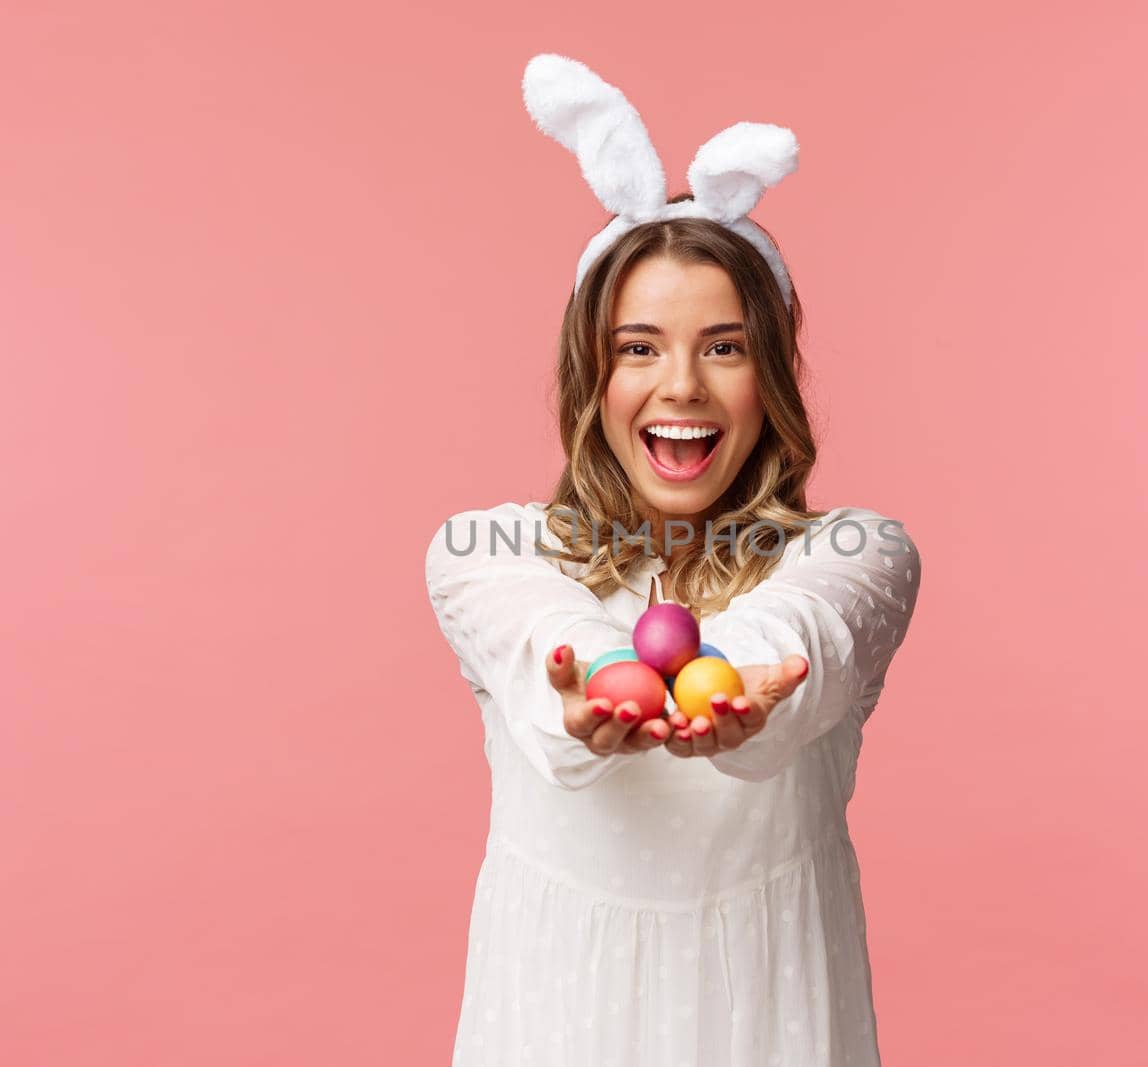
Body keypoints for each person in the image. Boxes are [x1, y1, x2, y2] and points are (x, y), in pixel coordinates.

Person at [423, 54, 922, 1066]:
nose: (680, 385)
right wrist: (606, 680)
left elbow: (802, 628)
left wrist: (730, 685)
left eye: (725, 347)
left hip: (768, 1025)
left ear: (770, 372)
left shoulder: (859, 550)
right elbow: (540, 628)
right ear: (591, 373)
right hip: (555, 1021)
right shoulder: (486, 548)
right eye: (639, 347)